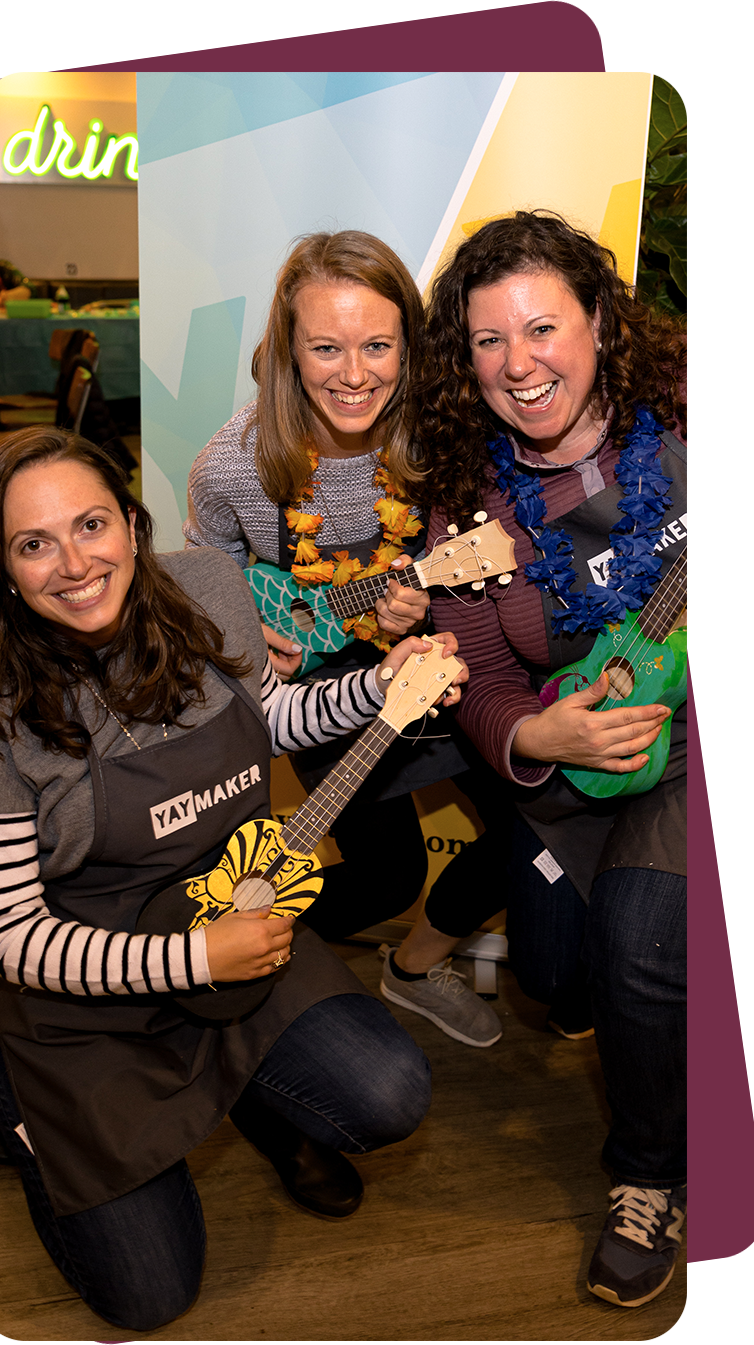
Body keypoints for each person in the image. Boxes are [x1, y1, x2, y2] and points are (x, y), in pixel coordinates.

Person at [0, 426, 466, 1331]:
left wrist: (377, 687)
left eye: (91, 524)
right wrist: (189, 958)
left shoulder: (205, 587)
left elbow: (266, 718)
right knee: (151, 1297)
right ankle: (27, 1118)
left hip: (236, 916)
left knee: (388, 1091)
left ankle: (247, 1086)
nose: (72, 562)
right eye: (32, 543)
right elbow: (13, 933)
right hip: (87, 989)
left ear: (132, 524)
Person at [381, 211, 687, 1308]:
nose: (518, 364)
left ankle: (647, 1176)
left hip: (680, 744)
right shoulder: (467, 492)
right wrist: (528, 735)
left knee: (641, 943)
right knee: (560, 981)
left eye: (542, 327)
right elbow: (474, 668)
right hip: (562, 762)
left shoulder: (677, 416)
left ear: (600, 323)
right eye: (485, 341)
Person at [183, 230, 488, 981]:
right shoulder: (234, 463)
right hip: (320, 690)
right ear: (289, 350)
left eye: (377, 347)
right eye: (325, 348)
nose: (353, 375)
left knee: (537, 822)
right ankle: (224, 972)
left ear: (409, 348)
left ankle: (417, 966)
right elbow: (204, 567)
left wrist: (425, 612)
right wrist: (242, 624)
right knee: (385, 876)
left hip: (439, 663)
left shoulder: (447, 435)